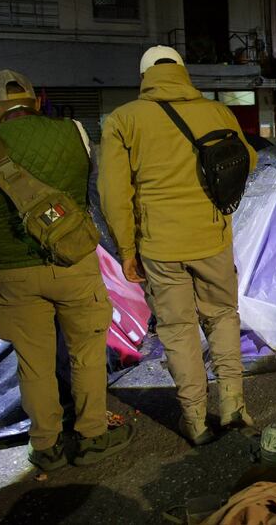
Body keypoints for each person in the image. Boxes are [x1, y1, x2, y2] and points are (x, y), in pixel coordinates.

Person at [0, 70, 132, 470]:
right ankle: (91, 437)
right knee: (86, 353)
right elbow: (90, 188)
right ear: (37, 99)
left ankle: (46, 446)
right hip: (75, 262)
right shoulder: (74, 131)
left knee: (34, 363)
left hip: (15, 273)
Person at [99, 46, 257, 446]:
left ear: (145, 77)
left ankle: (197, 421)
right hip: (212, 238)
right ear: (183, 72)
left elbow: (114, 193)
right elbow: (248, 159)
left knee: (178, 329)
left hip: (160, 246)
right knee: (222, 316)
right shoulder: (218, 112)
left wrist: (126, 250)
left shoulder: (123, 120)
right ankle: (235, 406)